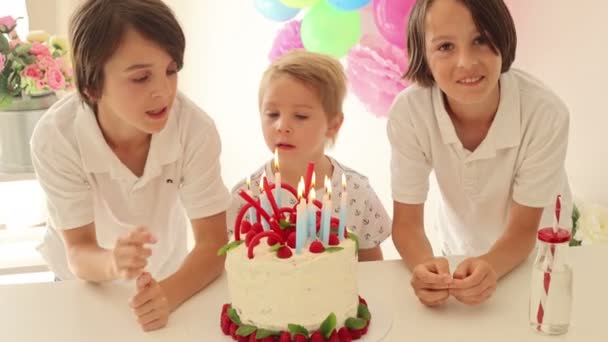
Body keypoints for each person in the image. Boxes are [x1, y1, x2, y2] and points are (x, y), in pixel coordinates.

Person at [30, 0, 230, 331]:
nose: (163, 92)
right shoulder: (56, 138)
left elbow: (213, 243)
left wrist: (168, 293)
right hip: (82, 282)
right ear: (91, 85)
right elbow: (79, 250)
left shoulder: (195, 130)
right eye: (141, 78)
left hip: (167, 275)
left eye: (170, 71)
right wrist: (113, 262)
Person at [387, 0, 571, 306]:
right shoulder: (409, 113)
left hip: (536, 254)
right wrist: (424, 266)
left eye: (481, 39)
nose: (466, 62)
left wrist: (492, 267)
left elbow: (524, 228)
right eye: (445, 46)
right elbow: (407, 224)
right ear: (424, 56)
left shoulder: (545, 114)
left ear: (502, 37)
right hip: (459, 244)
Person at [227, 50, 392, 261]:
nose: (282, 126)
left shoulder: (355, 191)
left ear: (333, 125)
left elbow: (371, 268)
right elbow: (235, 267)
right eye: (272, 114)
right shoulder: (247, 197)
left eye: (300, 116)